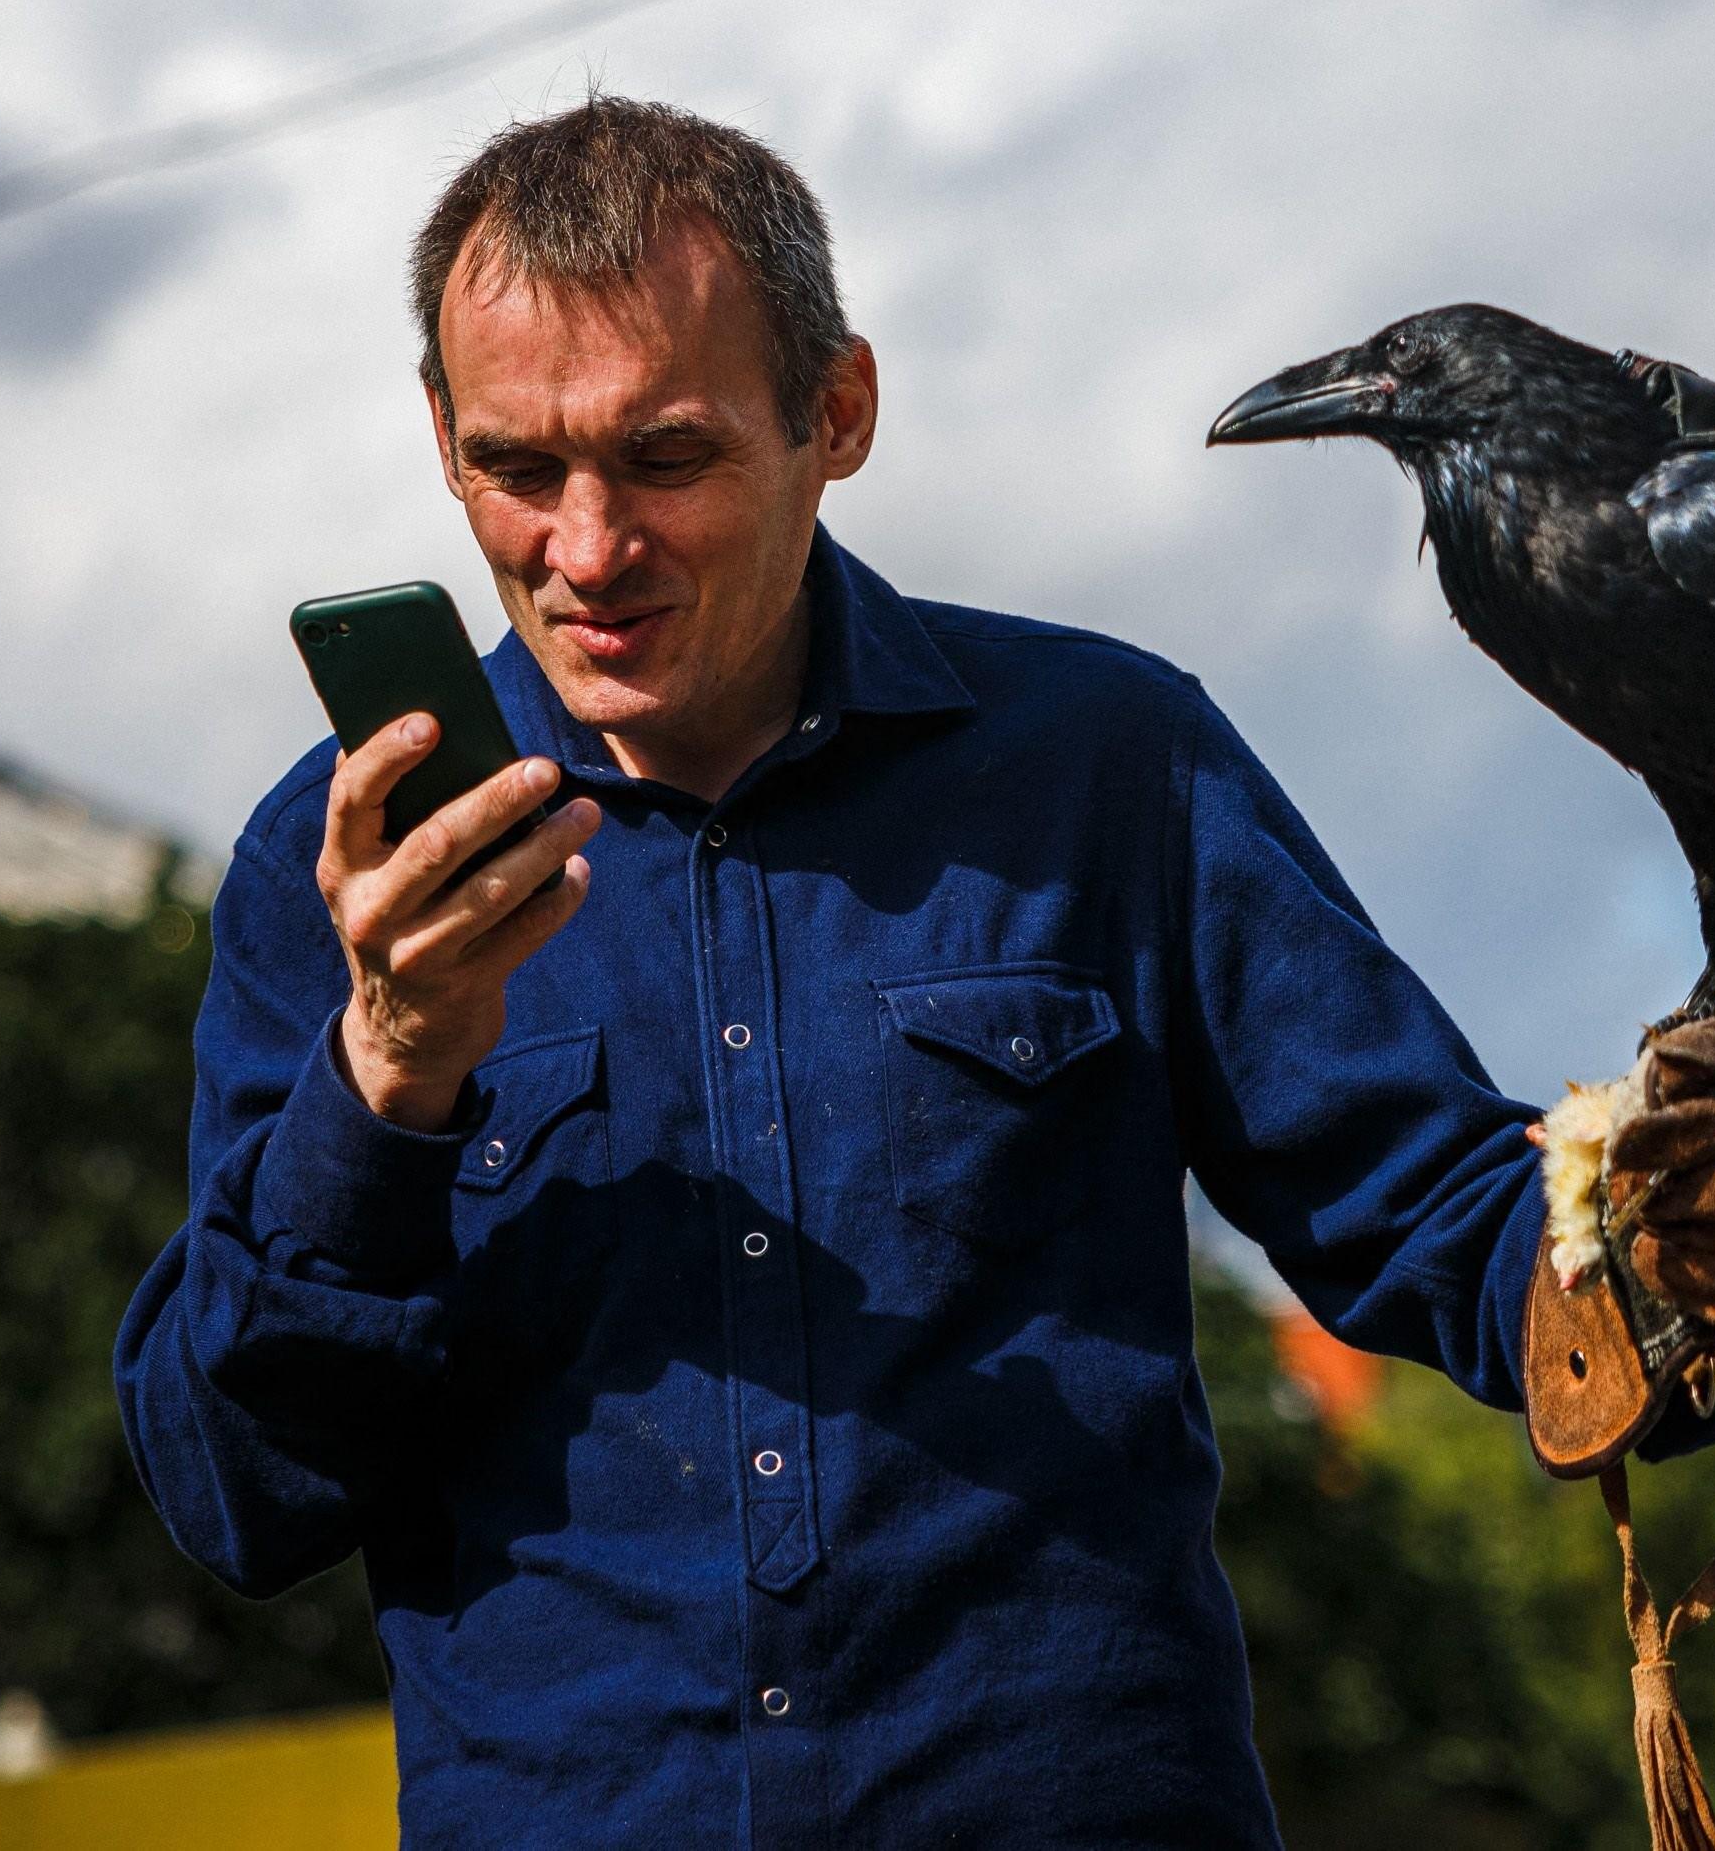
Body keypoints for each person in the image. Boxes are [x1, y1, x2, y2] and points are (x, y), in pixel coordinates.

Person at [117, 98, 1567, 1847]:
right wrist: (390, 1070)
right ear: (439, 438)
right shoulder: (330, 872)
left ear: (839, 415)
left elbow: (1444, 1220)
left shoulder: (1111, 762)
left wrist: (1664, 1250)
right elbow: (235, 1495)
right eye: (520, 468)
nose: (588, 550)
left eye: (665, 458)